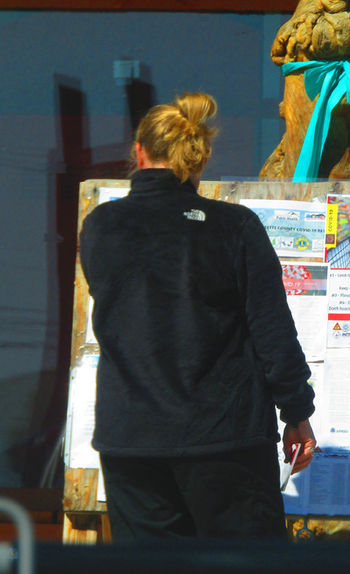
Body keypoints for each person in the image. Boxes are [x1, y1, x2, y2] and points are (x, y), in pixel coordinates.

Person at [79, 92, 316, 541]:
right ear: (199, 160)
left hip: (131, 439)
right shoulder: (234, 227)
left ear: (138, 152)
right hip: (225, 438)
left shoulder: (101, 226)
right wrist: (297, 412)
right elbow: (272, 332)